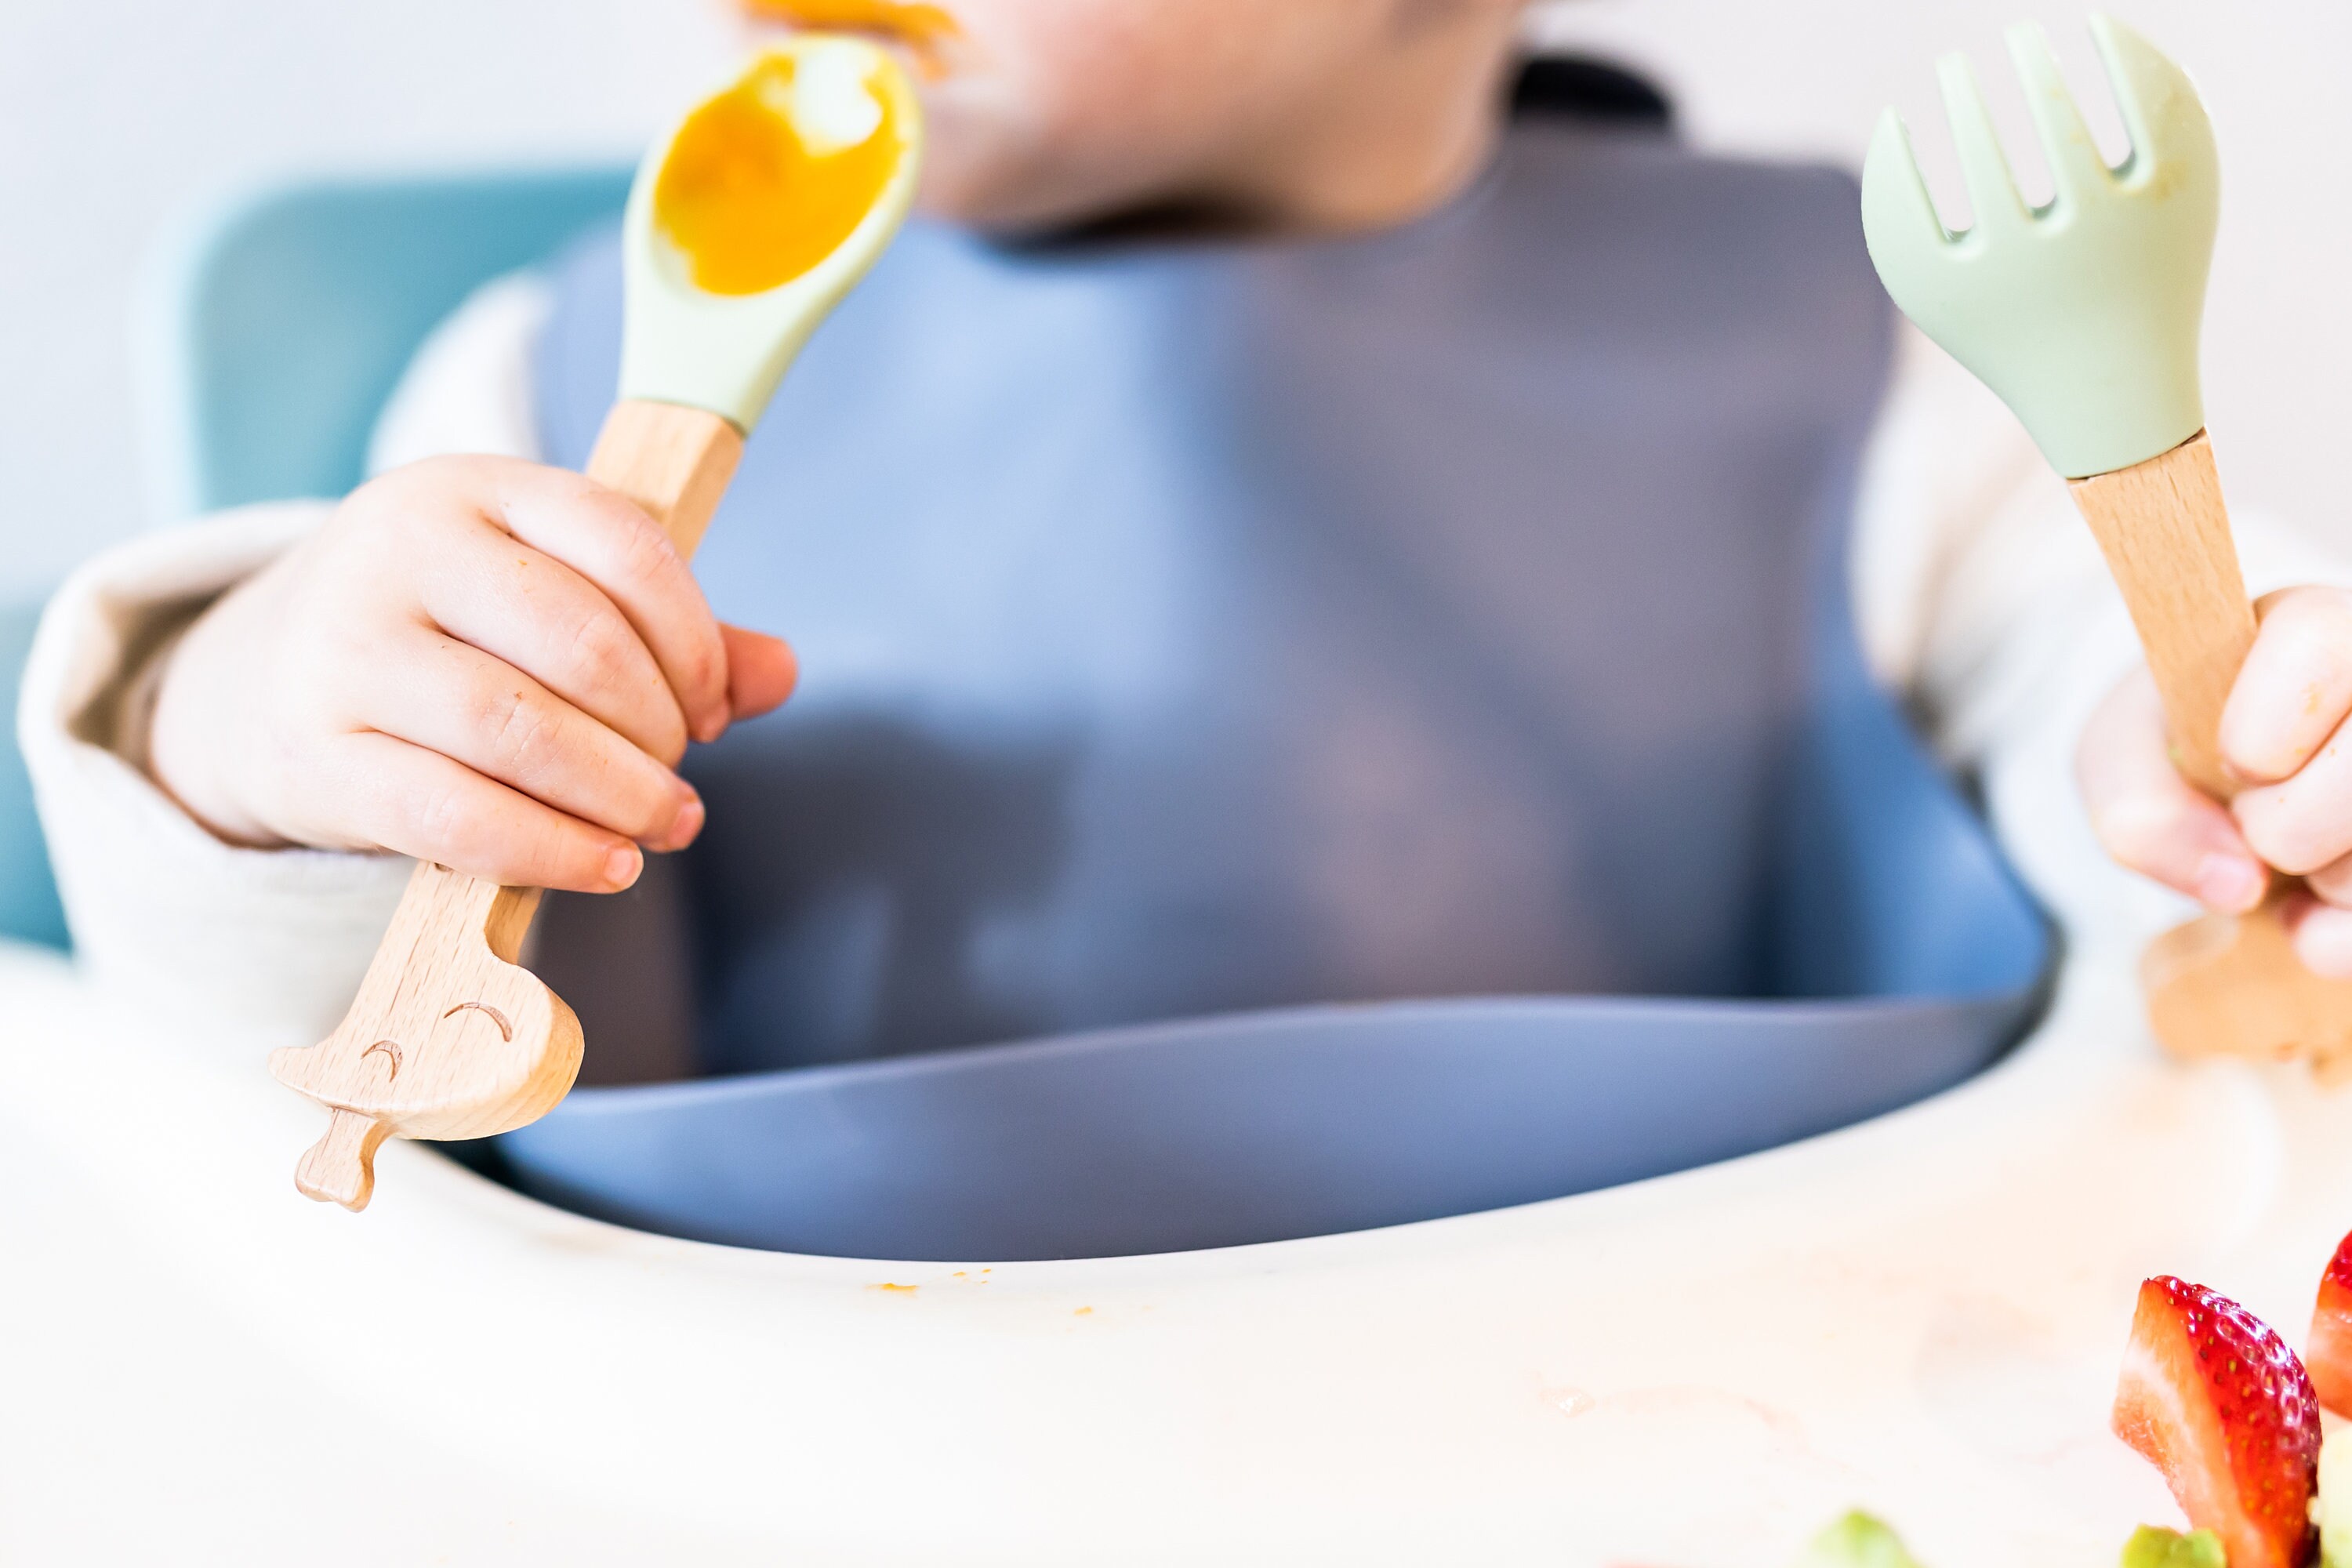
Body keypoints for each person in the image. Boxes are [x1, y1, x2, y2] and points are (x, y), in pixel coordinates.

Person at [21, 0, 2352, 1087]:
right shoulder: (553, 395)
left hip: (1684, 1401)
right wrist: (257, 735)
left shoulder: (1853, 338)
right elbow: (310, 1047)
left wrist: (2231, 768)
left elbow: (2121, 719)